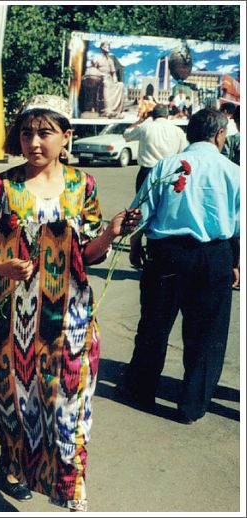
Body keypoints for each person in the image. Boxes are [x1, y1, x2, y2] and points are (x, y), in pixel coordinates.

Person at [0, 95, 141, 511]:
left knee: (68, 400)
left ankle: (68, 487)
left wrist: (111, 232)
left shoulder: (84, 186)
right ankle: (12, 463)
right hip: (9, 317)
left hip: (70, 314)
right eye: (27, 133)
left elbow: (90, 253)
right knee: (11, 395)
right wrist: (3, 267)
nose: (34, 142)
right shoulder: (1, 186)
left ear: (66, 136)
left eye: (45, 133)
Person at [118, 108, 240, 425]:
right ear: (220, 135)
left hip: (166, 256)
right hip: (214, 256)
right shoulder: (233, 171)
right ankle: (192, 405)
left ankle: (140, 389)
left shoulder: (166, 166)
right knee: (207, 333)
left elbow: (140, 212)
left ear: (189, 134)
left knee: (154, 326)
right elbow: (240, 224)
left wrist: (134, 246)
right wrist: (237, 263)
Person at [123, 104, 188, 193]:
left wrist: (140, 120)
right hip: (168, 172)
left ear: (152, 115)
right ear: (167, 115)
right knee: (165, 204)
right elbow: (182, 154)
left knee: (143, 204)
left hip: (147, 172)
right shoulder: (178, 131)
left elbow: (126, 135)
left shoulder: (145, 127)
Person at [85, 41, 125, 118]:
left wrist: (115, 80)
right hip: (101, 79)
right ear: (102, 47)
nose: (108, 48)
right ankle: (107, 110)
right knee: (106, 83)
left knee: (121, 85)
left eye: (109, 46)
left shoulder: (110, 60)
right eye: (107, 46)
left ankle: (116, 111)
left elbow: (113, 73)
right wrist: (99, 75)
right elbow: (93, 70)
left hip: (110, 78)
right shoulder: (97, 58)